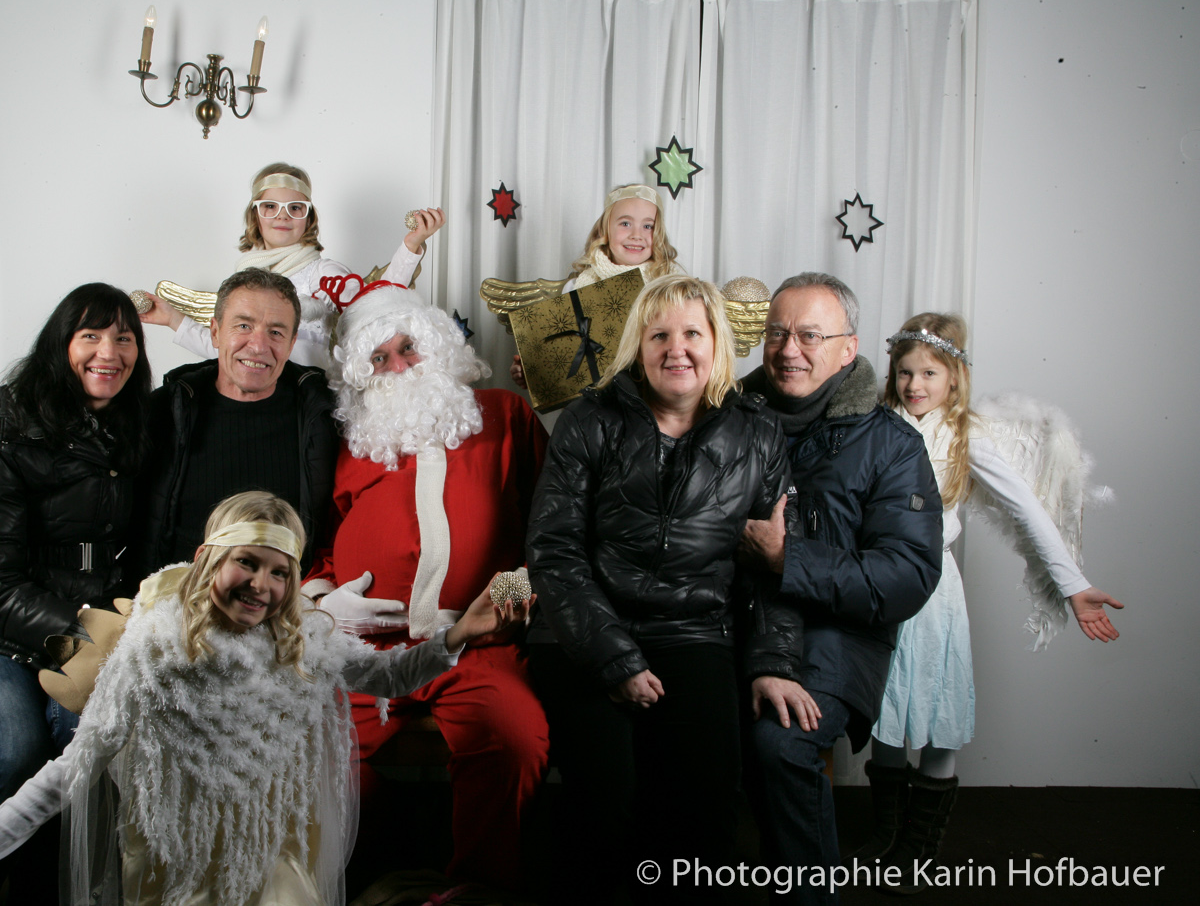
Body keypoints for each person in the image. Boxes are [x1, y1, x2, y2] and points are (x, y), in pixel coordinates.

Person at [0, 491, 525, 906]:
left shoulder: (306, 642)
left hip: (273, 852)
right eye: (247, 562)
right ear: (207, 560)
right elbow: (71, 770)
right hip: (176, 858)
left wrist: (460, 634)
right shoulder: (154, 654)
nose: (262, 585)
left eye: (280, 572)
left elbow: (388, 676)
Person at [524, 275, 793, 904]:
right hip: (582, 631)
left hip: (695, 630)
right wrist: (614, 659)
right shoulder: (589, 419)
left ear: (716, 344)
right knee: (606, 798)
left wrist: (773, 662)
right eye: (659, 335)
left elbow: (774, 569)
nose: (678, 349)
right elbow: (554, 551)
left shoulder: (758, 432)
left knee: (703, 807)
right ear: (638, 347)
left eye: (693, 332)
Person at [852, 313, 1124, 892]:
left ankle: (920, 846)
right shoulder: (874, 425)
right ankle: (886, 834)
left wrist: (1073, 585)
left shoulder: (965, 436)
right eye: (904, 373)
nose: (914, 384)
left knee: (937, 708)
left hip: (930, 589)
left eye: (929, 373)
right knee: (884, 703)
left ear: (954, 377)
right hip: (875, 583)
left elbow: (1027, 509)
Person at [302, 282, 548, 895]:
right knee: (310, 750)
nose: (398, 366)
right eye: (379, 358)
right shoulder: (355, 443)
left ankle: (476, 892)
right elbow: (323, 541)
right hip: (366, 650)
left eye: (407, 347)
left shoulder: (505, 415)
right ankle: (377, 871)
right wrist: (323, 601)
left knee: (513, 738)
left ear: (437, 347)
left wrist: (513, 594)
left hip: (476, 644)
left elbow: (553, 527)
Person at [0, 283, 152, 904]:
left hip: (86, 626)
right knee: (15, 752)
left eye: (124, 338)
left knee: (85, 750)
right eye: (91, 336)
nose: (109, 352)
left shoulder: (134, 422)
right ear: (61, 345)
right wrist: (84, 635)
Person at [738, 273, 944, 905]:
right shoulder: (727, 416)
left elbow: (907, 575)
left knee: (780, 742)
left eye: (810, 336)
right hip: (734, 621)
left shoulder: (892, 445)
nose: (789, 350)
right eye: (777, 333)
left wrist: (789, 559)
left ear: (848, 349)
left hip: (837, 636)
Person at [140, 162, 446, 369]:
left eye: (295, 207)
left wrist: (411, 246)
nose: (282, 216)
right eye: (270, 206)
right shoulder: (243, 281)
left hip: (307, 401)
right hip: (256, 400)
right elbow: (226, 351)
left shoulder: (321, 273)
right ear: (255, 215)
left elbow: (377, 306)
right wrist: (172, 319)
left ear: (308, 217)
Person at [136, 267, 338, 579]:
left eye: (276, 332)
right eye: (243, 326)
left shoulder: (326, 416)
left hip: (284, 599)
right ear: (215, 332)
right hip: (175, 596)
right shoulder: (163, 409)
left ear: (292, 342)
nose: (258, 346)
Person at [511, 182, 682, 388]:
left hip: (652, 394)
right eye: (625, 223)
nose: (637, 235)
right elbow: (562, 354)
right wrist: (532, 372)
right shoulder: (576, 287)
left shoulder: (673, 288)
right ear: (605, 229)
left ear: (659, 233)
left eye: (648, 226)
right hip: (596, 397)